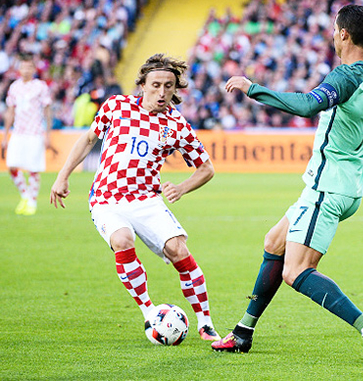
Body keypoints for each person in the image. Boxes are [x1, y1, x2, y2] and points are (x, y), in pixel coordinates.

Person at [211, 5, 363, 363]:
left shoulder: (344, 78)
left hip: (327, 187)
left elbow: (306, 106)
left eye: (335, 30)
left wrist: (253, 88)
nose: (333, 35)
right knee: (275, 240)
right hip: (348, 186)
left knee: (297, 270)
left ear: (344, 34)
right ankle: (243, 332)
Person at [50, 53, 221, 342]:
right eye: (156, 85)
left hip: (147, 201)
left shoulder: (177, 126)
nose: (162, 92)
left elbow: (207, 169)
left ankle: (205, 324)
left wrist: (181, 188)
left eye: (169, 86)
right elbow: (88, 139)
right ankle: (149, 312)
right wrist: (63, 174)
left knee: (178, 250)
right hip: (107, 199)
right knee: (122, 241)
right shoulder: (117, 106)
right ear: (142, 84)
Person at [1, 54, 54, 216]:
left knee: (33, 169)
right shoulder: (14, 87)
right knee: (11, 166)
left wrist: (48, 135)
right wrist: (5, 136)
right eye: (23, 67)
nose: (26, 70)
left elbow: (47, 112)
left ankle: (32, 202)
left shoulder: (40, 86)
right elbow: (10, 112)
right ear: (19, 69)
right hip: (18, 132)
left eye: (29, 67)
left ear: (33, 68)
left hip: (35, 132)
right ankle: (25, 195)